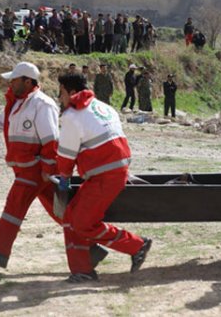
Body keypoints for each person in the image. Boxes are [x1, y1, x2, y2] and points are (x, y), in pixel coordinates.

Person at [0, 62, 98, 269]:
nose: (10, 83)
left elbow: (51, 142)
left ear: (28, 81)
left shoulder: (42, 105)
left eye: (14, 79)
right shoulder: (14, 104)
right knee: (61, 211)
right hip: (32, 170)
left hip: (36, 169)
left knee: (14, 205)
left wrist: (47, 170)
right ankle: (93, 247)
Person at [56, 73, 152, 283]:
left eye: (61, 93)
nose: (59, 98)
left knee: (81, 222)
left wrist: (63, 178)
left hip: (105, 175)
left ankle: (136, 245)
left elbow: (66, 155)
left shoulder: (72, 116)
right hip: (114, 171)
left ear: (72, 92)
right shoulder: (103, 107)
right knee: (71, 217)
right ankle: (83, 269)